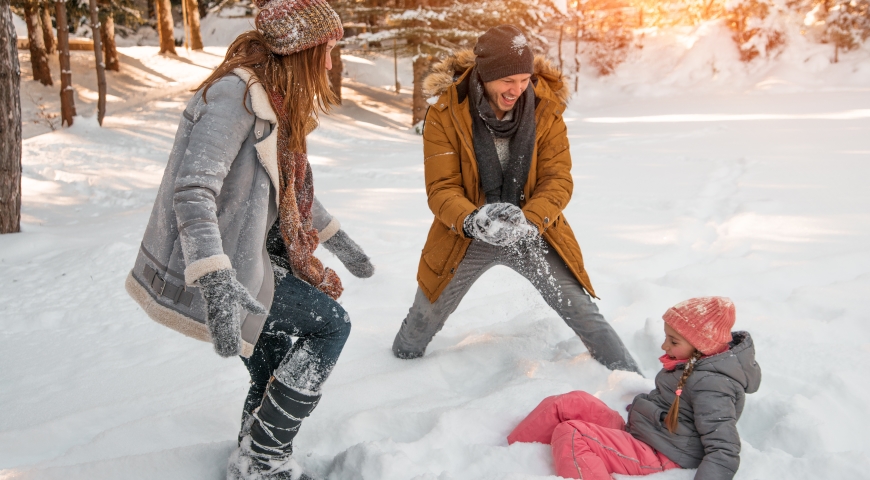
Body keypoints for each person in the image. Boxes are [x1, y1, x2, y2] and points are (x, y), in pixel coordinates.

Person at [124, 0, 373, 477]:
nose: (329, 61)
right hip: (225, 264)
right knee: (330, 326)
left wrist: (339, 240)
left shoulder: (275, 98)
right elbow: (193, 191)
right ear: (301, 49)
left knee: (271, 357)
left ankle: (252, 456)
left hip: (256, 256)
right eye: (325, 50)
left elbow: (285, 189)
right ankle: (263, 457)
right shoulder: (236, 96)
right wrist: (214, 277)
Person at [391, 24, 640, 373]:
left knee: (581, 310)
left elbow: (557, 180)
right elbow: (441, 188)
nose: (518, 89)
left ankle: (631, 380)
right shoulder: (447, 112)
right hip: (467, 236)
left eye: (525, 78)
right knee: (422, 320)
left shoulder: (545, 110)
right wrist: (473, 220)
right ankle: (394, 370)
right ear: (486, 74)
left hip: (530, 230)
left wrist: (529, 221)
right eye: (508, 80)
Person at [507, 297, 762, 480]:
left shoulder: (714, 386)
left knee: (573, 435)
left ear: (701, 347)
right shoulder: (689, 364)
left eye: (673, 340)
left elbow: (725, 449)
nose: (664, 345)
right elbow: (673, 403)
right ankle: (507, 456)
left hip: (663, 453)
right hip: (645, 433)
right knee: (570, 402)